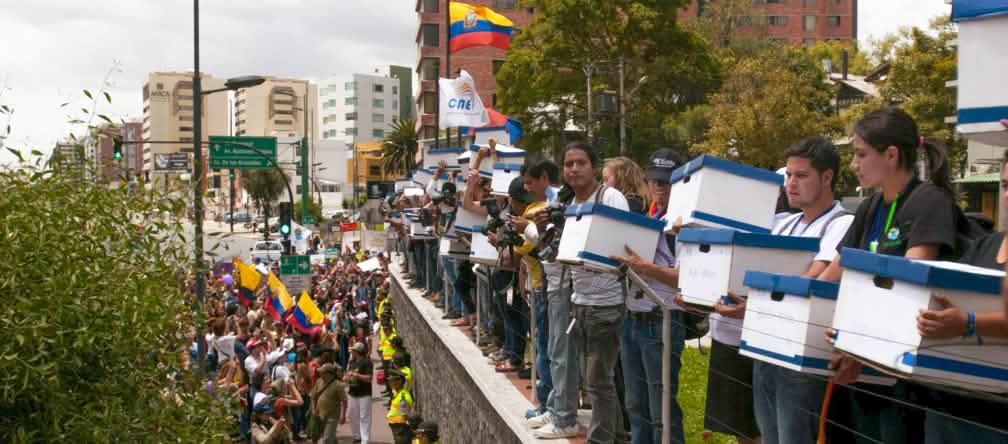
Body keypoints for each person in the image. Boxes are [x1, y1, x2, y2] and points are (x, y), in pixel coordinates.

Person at [820, 106, 960, 444]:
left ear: (892, 155)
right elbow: (830, 276)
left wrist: (855, 346)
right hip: (862, 365)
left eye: (860, 154)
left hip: (904, 380)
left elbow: (906, 292)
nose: (853, 164)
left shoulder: (930, 202)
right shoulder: (870, 206)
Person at [705, 137, 853, 444]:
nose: (791, 184)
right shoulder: (782, 223)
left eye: (801, 176)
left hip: (801, 358)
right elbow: (739, 259)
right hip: (764, 350)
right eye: (788, 175)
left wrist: (755, 301)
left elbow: (813, 280)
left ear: (827, 177)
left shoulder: (841, 224)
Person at [911, 149, 1008, 444]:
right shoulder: (985, 246)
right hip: (948, 403)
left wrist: (968, 323)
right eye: (1005, 185)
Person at [610, 149, 687, 444]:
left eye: (666, 182)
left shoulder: (683, 223)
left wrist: (645, 268)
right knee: (635, 404)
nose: (658, 187)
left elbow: (686, 277)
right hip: (634, 316)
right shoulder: (648, 215)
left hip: (662, 320)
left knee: (662, 408)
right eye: (654, 180)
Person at [560, 141, 631, 443]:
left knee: (597, 381)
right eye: (569, 164)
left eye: (581, 163)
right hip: (581, 302)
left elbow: (625, 242)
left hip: (607, 303)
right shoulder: (570, 206)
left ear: (593, 166)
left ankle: (600, 439)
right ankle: (616, 435)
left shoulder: (609, 197)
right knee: (600, 381)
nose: (574, 169)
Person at [311, 363, 347, 444]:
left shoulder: (338, 385)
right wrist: (313, 409)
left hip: (332, 416)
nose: (320, 373)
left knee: (326, 439)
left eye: (322, 372)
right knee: (330, 437)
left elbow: (344, 401)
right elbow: (313, 396)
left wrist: (343, 415)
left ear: (328, 373)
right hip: (319, 415)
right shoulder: (319, 381)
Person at [346, 342, 374, 444]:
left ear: (357, 351)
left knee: (364, 417)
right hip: (352, 393)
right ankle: (357, 436)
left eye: (352, 350)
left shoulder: (367, 362)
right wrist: (347, 377)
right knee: (352, 415)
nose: (351, 352)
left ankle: (365, 439)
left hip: (364, 393)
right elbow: (348, 374)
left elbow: (369, 378)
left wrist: (356, 375)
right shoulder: (352, 362)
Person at [386, 370, 415, 444]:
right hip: (398, 429)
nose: (390, 383)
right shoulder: (398, 392)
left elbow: (404, 415)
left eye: (391, 381)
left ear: (399, 382)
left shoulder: (403, 397)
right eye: (389, 381)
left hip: (401, 430)